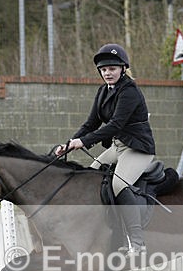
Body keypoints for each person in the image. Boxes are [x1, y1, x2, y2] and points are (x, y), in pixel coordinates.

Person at [55, 43, 155, 256]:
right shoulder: (103, 91)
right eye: (104, 70)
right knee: (91, 178)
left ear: (123, 68)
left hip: (137, 148)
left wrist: (83, 143)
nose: (108, 73)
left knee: (118, 184)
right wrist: (69, 144)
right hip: (117, 148)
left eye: (112, 68)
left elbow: (115, 126)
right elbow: (91, 123)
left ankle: (137, 243)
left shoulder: (130, 92)